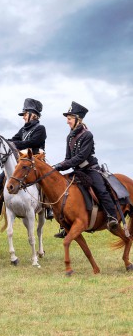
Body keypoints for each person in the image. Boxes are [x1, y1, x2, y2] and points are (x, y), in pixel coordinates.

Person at [52, 101, 119, 236]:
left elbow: (81, 157)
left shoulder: (87, 135)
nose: (67, 121)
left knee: (101, 190)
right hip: (78, 171)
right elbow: (68, 157)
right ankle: (66, 224)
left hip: (91, 169)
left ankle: (112, 217)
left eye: (69, 118)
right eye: (67, 118)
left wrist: (61, 166)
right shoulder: (69, 137)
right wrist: (56, 167)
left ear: (78, 119)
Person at [0, 98, 48, 218]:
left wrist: (15, 144)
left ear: (32, 115)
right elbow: (14, 139)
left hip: (36, 158)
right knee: (2, 177)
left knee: (45, 179)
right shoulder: (23, 129)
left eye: (25, 114)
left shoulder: (41, 128)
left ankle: (48, 206)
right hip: (22, 159)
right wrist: (3, 142)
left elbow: (33, 142)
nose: (23, 117)